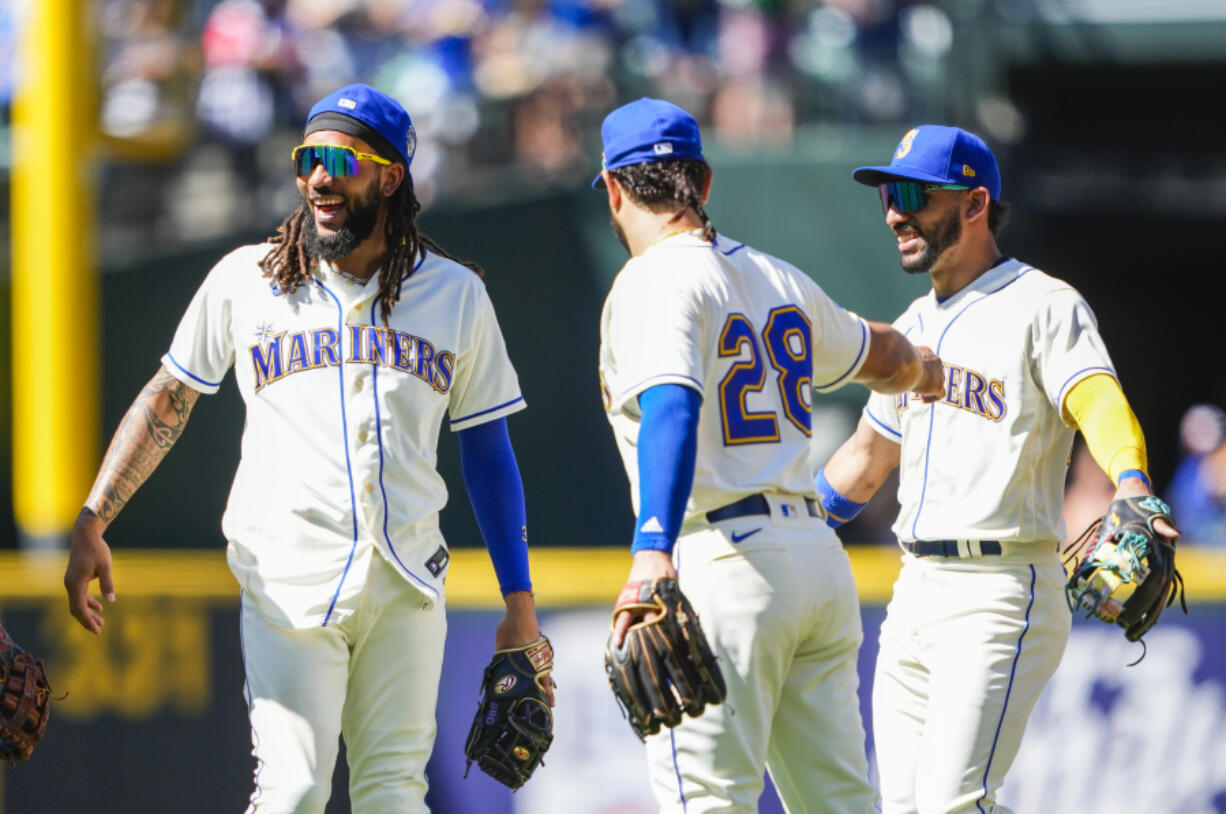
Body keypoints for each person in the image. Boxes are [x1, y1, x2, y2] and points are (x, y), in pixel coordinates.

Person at [63, 83, 551, 814]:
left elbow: (487, 449)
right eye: (307, 159)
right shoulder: (247, 280)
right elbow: (170, 397)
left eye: (339, 160)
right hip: (287, 577)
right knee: (293, 791)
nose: (318, 178)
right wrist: (95, 515)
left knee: (394, 796)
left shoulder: (453, 295)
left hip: (407, 581)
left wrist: (520, 603)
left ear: (389, 177)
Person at [593, 97, 945, 814]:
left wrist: (651, 548)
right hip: (813, 560)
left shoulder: (652, 279)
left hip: (721, 558)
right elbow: (872, 349)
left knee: (710, 802)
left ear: (613, 188)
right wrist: (920, 367)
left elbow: (673, 405)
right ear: (706, 182)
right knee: (840, 803)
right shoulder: (778, 278)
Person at [818, 124, 1178, 813]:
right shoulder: (911, 324)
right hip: (915, 588)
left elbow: (1096, 396)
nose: (895, 211)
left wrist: (1131, 483)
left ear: (975, 203)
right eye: (889, 194)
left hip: (1000, 587)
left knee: (955, 804)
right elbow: (863, 461)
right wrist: (788, 523)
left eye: (915, 194)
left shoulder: (1042, 303)